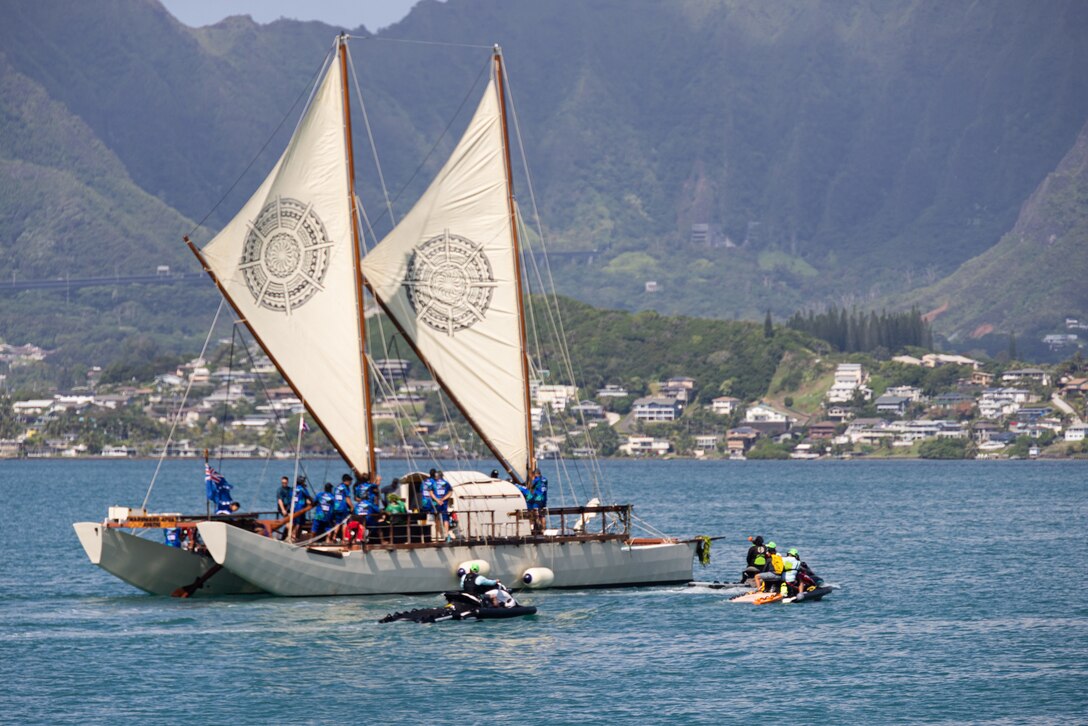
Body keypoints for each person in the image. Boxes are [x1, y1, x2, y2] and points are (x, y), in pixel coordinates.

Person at [430, 470, 454, 540]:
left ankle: (438, 535)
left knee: (437, 518)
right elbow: (450, 492)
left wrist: (437, 500)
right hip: (444, 503)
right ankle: (446, 534)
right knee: (445, 519)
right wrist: (443, 499)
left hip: (436, 503)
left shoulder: (434, 483)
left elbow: (431, 493)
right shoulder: (446, 483)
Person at [527, 468, 548, 534]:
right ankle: (544, 530)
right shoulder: (545, 479)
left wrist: (531, 479)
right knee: (543, 515)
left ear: (535, 474)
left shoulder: (536, 480)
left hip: (538, 499)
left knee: (535, 513)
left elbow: (530, 487)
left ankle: (539, 528)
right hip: (544, 499)